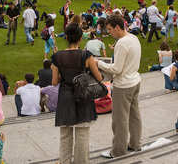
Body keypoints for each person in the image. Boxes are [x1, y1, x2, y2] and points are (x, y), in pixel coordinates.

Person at [51, 22, 103, 164]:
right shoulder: (86, 55)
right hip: (83, 95)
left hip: (66, 95)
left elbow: (54, 82)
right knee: (82, 133)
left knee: (65, 134)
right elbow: (99, 77)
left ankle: (64, 161)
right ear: (80, 38)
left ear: (66, 37)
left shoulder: (57, 57)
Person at [98, 13, 142, 158]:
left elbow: (116, 69)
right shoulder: (133, 38)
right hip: (135, 81)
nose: (109, 32)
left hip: (123, 85)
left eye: (110, 29)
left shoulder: (122, 43)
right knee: (134, 115)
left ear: (117, 27)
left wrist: (98, 62)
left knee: (119, 120)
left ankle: (118, 151)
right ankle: (135, 144)